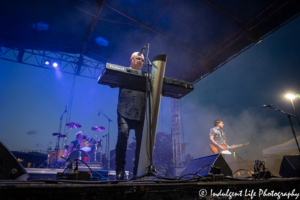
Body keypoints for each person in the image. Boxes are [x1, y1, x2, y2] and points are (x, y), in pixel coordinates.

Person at [115, 52, 147, 180]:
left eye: (142, 60)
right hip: (124, 111)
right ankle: (120, 171)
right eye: (138, 58)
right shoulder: (124, 73)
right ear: (131, 59)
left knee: (141, 143)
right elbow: (111, 81)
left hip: (141, 113)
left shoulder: (146, 76)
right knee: (123, 137)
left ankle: (137, 172)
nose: (140, 61)